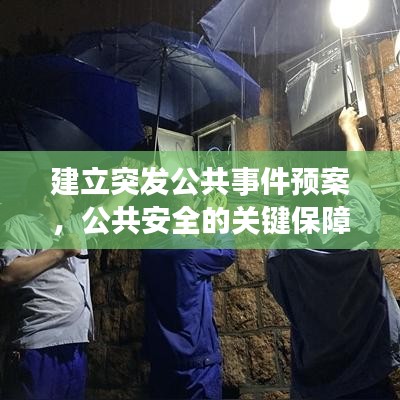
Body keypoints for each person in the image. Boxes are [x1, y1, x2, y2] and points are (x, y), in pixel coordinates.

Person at [267, 107, 400, 399]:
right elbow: (359, 175)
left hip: (313, 385)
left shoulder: (277, 252)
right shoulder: (355, 224)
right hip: (367, 381)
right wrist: (349, 129)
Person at [0, 158, 139, 400]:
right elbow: (8, 273)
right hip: (39, 346)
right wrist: (59, 251)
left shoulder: (74, 226)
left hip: (75, 345)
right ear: (47, 199)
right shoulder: (20, 225)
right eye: (66, 192)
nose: (73, 198)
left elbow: (108, 207)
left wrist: (138, 179)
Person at [141, 191, 235, 400]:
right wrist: (217, 218)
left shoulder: (148, 252)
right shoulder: (189, 250)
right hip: (196, 362)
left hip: (163, 360)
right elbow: (227, 253)